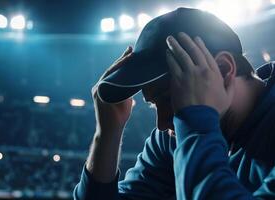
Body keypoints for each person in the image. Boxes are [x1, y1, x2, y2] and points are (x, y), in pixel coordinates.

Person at [74, 8, 275, 199]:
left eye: (170, 98)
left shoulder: (189, 123)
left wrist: (196, 121)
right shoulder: (176, 136)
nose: (161, 124)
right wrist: (108, 134)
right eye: (154, 104)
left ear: (222, 70)